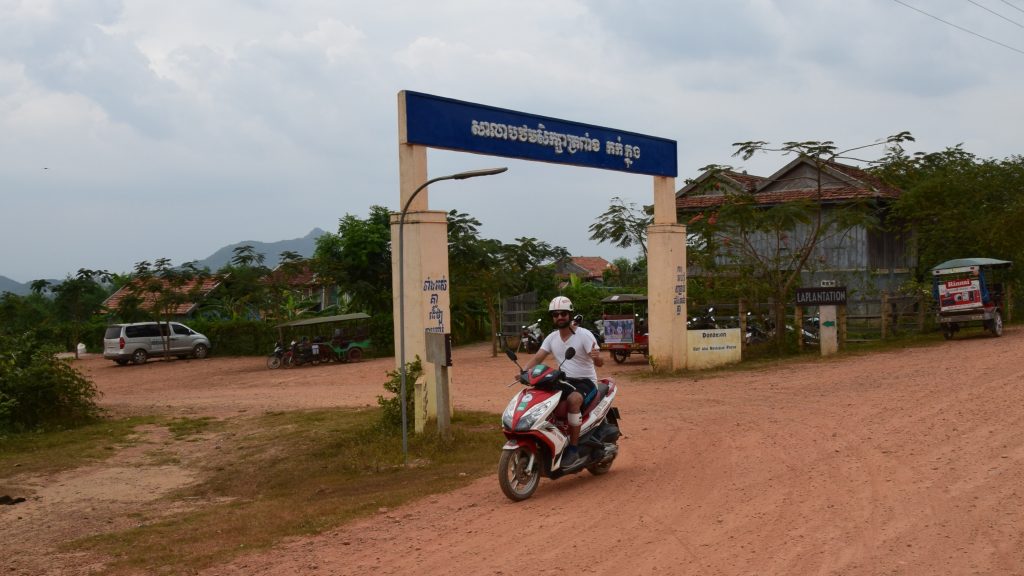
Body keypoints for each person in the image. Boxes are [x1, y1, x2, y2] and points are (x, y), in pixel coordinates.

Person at [522, 296, 603, 470]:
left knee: (573, 400)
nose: (560, 317)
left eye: (563, 314)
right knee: (542, 397)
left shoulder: (584, 335)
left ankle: (573, 449)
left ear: (570, 314)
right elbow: (538, 357)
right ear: (552, 317)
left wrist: (597, 358)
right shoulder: (551, 338)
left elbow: (599, 362)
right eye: (556, 314)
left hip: (586, 382)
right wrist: (523, 372)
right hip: (564, 381)